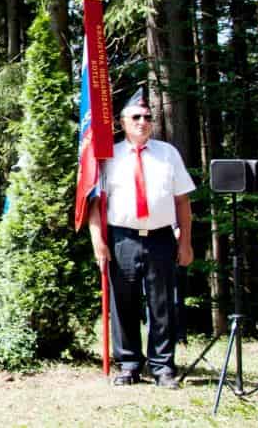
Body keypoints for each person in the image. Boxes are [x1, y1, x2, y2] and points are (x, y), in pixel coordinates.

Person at [89, 90, 195, 389]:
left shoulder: (168, 153)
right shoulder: (107, 156)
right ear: (122, 123)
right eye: (135, 117)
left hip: (161, 237)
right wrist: (98, 240)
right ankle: (130, 364)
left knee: (163, 304)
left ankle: (163, 367)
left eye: (148, 117)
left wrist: (185, 242)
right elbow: (95, 204)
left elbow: (183, 202)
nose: (143, 122)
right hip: (122, 238)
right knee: (123, 303)